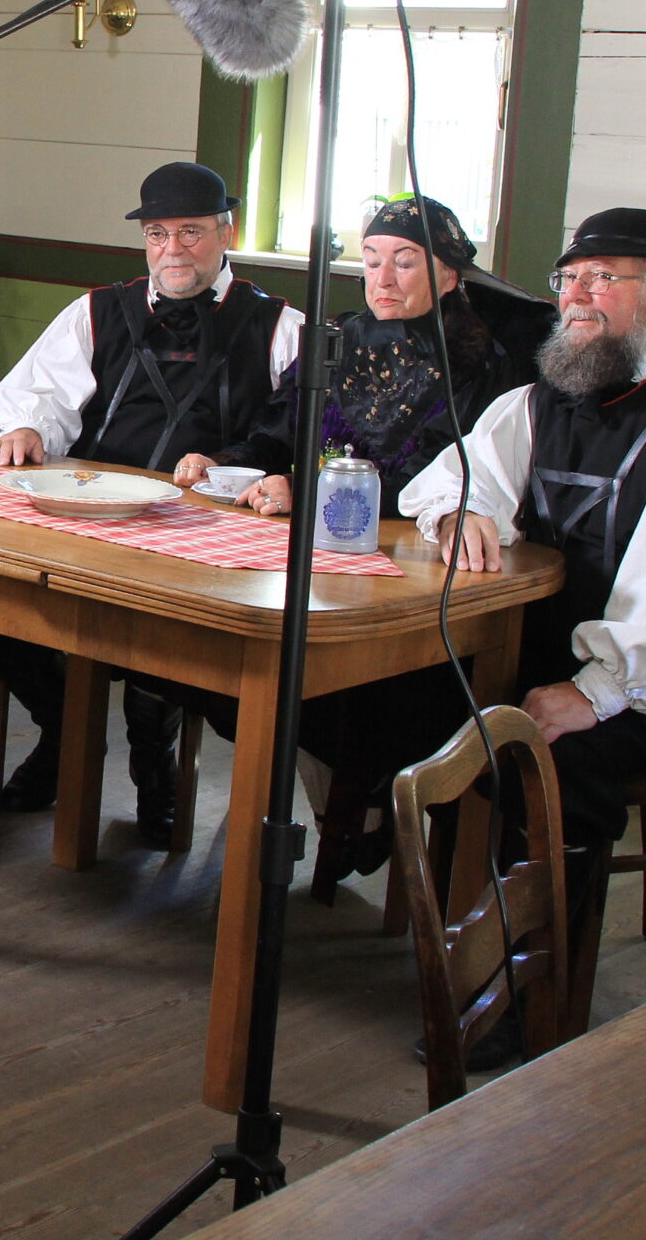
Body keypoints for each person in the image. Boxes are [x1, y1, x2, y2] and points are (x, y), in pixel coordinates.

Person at [397, 207, 646, 851]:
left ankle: (544, 942)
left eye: (603, 276)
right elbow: (454, 477)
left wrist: (598, 694)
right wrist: (459, 510)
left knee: (556, 759)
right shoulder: (543, 400)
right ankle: (449, 913)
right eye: (569, 278)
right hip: (566, 644)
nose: (577, 295)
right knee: (408, 705)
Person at [179, 195, 553, 886]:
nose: (382, 279)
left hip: (416, 573)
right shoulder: (339, 339)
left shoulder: (483, 362)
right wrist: (229, 463)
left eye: (405, 263)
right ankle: (345, 808)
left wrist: (308, 489)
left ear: (448, 275)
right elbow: (276, 428)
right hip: (308, 560)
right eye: (372, 260)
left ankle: (363, 806)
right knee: (227, 659)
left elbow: (444, 476)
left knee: (344, 683)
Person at [0, 162, 305, 840]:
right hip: (85, 519)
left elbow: (307, 441)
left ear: (225, 231)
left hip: (203, 539)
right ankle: (67, 734)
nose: (173, 249)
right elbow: (33, 393)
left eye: (190, 232)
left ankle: (156, 770)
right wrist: (31, 426)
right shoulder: (98, 311)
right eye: (158, 233)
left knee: (168, 639)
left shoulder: (279, 327)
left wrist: (240, 472)